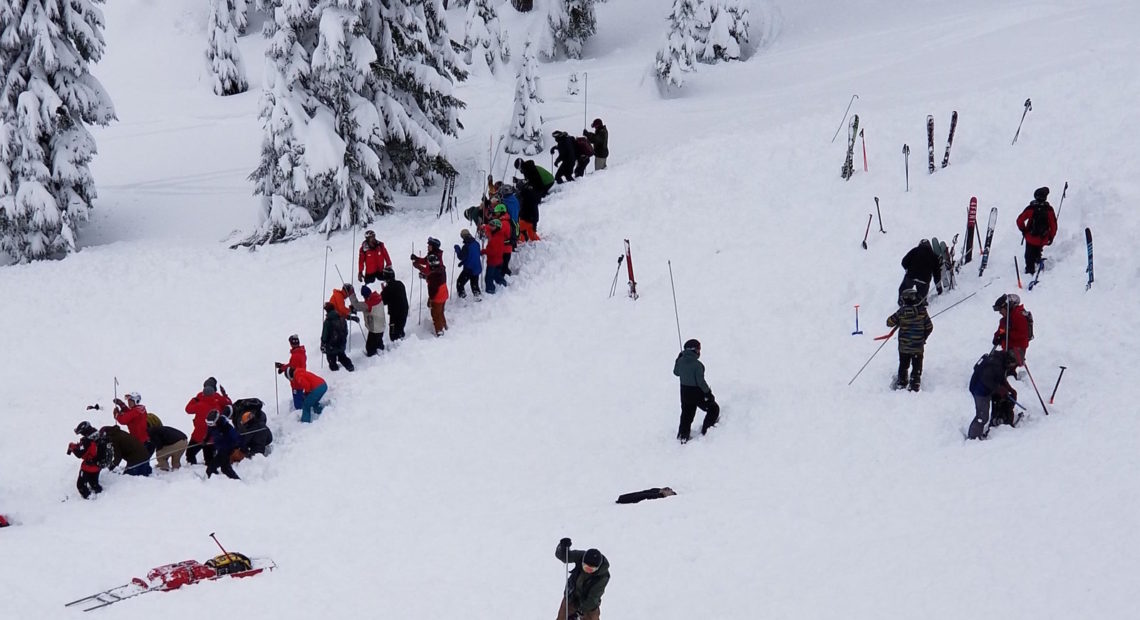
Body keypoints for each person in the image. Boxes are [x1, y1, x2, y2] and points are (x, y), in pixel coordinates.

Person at [886, 287, 934, 391]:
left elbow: (889, 322)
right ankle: (915, 383)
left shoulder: (901, 312)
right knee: (917, 366)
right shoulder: (922, 312)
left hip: (904, 346)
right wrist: (923, 338)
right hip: (918, 346)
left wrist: (899, 321)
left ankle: (902, 382)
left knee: (903, 365)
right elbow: (929, 327)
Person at [672, 339, 720, 443]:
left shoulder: (680, 361)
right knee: (713, 409)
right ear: (695, 350)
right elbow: (700, 382)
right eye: (699, 348)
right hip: (697, 393)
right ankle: (706, 431)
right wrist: (708, 393)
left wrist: (677, 359)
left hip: (684, 393)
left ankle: (683, 436)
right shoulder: (698, 365)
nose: (700, 351)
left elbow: (676, 373)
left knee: (686, 415)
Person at [967, 350, 1020, 440]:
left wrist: (1009, 389)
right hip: (979, 390)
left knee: (1003, 398)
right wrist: (999, 389)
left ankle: (999, 419)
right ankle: (973, 438)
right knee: (982, 416)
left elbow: (1000, 378)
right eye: (1012, 365)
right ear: (1009, 361)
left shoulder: (1000, 361)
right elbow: (986, 380)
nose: (1012, 368)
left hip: (985, 388)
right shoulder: (995, 364)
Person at [554, 538, 610, 620]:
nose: (587, 571)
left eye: (591, 569)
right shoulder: (581, 556)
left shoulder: (602, 577)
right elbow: (564, 556)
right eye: (585, 567)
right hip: (571, 597)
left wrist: (578, 613)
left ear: (597, 568)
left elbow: (593, 598)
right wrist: (562, 548)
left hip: (589, 605)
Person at [185, 377, 232, 465]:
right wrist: (225, 395)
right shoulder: (217, 401)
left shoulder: (199, 401)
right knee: (209, 459)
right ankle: (211, 474)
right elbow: (229, 403)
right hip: (212, 437)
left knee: (190, 454)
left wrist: (194, 400)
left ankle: (192, 469)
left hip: (198, 435)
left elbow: (188, 409)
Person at [1016, 186, 1058, 275]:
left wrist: (1024, 230)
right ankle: (1037, 259)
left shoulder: (1031, 208)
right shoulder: (1049, 210)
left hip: (1031, 237)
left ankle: (1029, 271)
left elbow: (1019, 220)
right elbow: (1053, 225)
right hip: (1043, 238)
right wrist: (1051, 237)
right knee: (1037, 249)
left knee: (1029, 255)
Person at [412, 253, 449, 336]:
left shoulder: (433, 275)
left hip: (438, 297)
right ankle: (444, 325)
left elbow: (432, 288)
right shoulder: (441, 269)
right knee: (441, 312)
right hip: (444, 294)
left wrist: (431, 299)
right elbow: (433, 279)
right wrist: (426, 277)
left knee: (435, 314)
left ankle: (439, 331)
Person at [68, 422, 106, 499]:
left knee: (80, 485)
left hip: (89, 467)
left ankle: (88, 498)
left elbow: (80, 454)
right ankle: (99, 492)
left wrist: (72, 447)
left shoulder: (87, 441)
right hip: (98, 464)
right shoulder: (97, 434)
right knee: (93, 482)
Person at [992, 294, 1033, 366]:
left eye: (1000, 310)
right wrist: (997, 336)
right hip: (1008, 347)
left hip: (1018, 348)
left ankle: (1013, 373)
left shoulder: (1018, 315)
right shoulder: (1005, 319)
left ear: (1006, 307)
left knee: (1007, 365)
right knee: (995, 360)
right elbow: (1002, 329)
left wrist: (1008, 334)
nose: (1000, 312)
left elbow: (1022, 334)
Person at [349, 285, 387, 356]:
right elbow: (365, 307)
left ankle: (372, 358)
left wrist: (351, 294)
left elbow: (357, 305)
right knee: (378, 341)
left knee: (370, 347)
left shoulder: (369, 303)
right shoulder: (377, 297)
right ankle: (381, 351)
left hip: (375, 329)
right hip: (381, 326)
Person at [204, 411, 241, 480]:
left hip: (227, 449)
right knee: (225, 468)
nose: (209, 425)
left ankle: (210, 481)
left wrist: (235, 447)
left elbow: (236, 437)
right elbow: (209, 432)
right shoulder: (211, 426)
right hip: (220, 448)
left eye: (211, 423)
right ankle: (236, 481)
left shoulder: (226, 427)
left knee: (212, 468)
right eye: (208, 423)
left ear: (217, 420)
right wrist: (205, 440)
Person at [276, 334, 307, 410]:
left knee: (298, 404)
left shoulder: (295, 356)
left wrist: (283, 368)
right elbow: (292, 365)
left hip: (297, 382)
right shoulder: (300, 352)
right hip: (301, 378)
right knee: (301, 397)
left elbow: (293, 368)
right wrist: (282, 367)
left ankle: (301, 416)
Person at [321, 301, 355, 371]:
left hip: (331, 347)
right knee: (342, 356)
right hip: (341, 344)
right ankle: (350, 366)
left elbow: (324, 335)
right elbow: (346, 331)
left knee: (331, 360)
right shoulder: (341, 318)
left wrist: (323, 344)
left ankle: (335, 371)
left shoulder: (327, 322)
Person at [379, 267, 409, 341]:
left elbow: (383, 301)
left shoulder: (387, 289)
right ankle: (402, 343)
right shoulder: (400, 284)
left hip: (394, 315)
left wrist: (383, 291)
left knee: (393, 334)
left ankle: (397, 348)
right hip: (404, 311)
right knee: (400, 329)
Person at [481, 218, 509, 294]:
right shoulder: (498, 233)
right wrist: (484, 227)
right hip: (499, 260)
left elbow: (492, 252)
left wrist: (483, 251)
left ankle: (490, 290)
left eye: (492, 225)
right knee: (496, 275)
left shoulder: (495, 239)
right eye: (491, 225)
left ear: (497, 227)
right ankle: (503, 283)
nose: (491, 227)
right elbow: (488, 228)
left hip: (493, 261)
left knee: (488, 277)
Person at [454, 229, 483, 299]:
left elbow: (461, 256)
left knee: (460, 282)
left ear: (463, 236)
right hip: (477, 267)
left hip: (469, 269)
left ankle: (462, 297)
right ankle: (477, 296)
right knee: (474, 283)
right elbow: (472, 255)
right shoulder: (476, 243)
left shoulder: (466, 246)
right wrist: (462, 263)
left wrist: (457, 249)